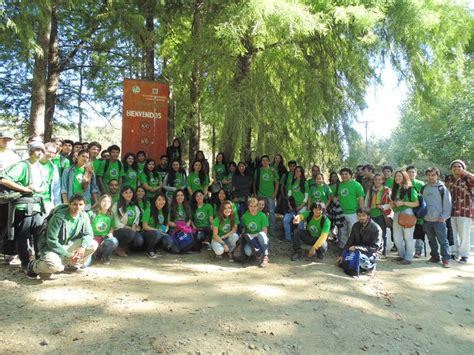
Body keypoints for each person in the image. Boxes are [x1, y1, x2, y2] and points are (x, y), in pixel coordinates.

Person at [0, 142, 48, 271]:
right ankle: (25, 263)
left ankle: (39, 262)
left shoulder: (41, 168)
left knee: (39, 234)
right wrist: (24, 189)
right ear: (30, 151)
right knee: (23, 235)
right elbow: (3, 179)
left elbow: (44, 186)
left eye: (41, 151)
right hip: (23, 206)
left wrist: (38, 189)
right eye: (36, 150)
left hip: (37, 206)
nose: (39, 153)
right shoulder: (22, 166)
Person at [27, 194, 98, 279]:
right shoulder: (59, 217)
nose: (77, 207)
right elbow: (51, 241)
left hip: (66, 244)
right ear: (69, 204)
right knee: (56, 267)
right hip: (50, 248)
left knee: (92, 244)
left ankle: (71, 264)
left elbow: (89, 234)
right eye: (75, 204)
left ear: (84, 205)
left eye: (80, 204)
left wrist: (82, 247)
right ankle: (33, 266)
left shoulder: (84, 215)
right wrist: (68, 255)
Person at [422, 167, 452, 268]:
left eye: (433, 175)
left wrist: (444, 216)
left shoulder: (442, 188)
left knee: (443, 240)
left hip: (439, 220)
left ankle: (446, 259)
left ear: (437, 175)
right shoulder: (424, 188)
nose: (431, 177)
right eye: (429, 175)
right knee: (431, 240)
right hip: (427, 219)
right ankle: (434, 256)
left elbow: (447, 204)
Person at [444, 160, 473, 263]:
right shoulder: (448, 178)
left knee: (464, 234)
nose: (456, 168)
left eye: (459, 166)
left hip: (464, 211)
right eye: (454, 166)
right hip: (450, 211)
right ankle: (453, 253)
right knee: (452, 233)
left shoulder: (467, 178)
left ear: (463, 168)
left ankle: (464, 255)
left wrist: (466, 173)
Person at [338, 207, 383, 274]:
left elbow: (374, 248)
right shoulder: (356, 225)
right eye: (359, 215)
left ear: (368, 216)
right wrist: (342, 255)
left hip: (372, 252)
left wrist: (356, 248)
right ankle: (360, 266)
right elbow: (350, 241)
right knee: (342, 262)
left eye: (363, 216)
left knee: (360, 260)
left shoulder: (376, 228)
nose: (361, 217)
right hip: (358, 250)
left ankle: (371, 266)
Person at [390, 170, 419, 265]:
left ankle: (408, 257)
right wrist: (393, 204)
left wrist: (403, 203)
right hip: (397, 213)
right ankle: (402, 255)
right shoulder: (395, 189)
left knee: (408, 237)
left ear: (405, 177)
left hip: (408, 213)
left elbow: (416, 203)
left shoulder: (410, 189)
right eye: (396, 176)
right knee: (397, 237)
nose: (397, 178)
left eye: (400, 176)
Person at [333, 168, 365, 249]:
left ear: (351, 175)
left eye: (346, 174)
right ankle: (343, 248)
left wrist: (361, 212)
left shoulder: (356, 184)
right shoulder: (338, 185)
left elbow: (361, 198)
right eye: (342, 174)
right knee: (342, 231)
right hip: (341, 213)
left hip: (353, 213)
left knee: (353, 231)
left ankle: (353, 248)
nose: (344, 176)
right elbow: (333, 195)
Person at [112, 186, 143, 257]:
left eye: (130, 192)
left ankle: (126, 246)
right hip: (118, 230)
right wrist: (128, 227)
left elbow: (137, 219)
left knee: (139, 241)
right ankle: (118, 247)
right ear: (122, 194)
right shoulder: (116, 205)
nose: (128, 194)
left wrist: (135, 225)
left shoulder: (135, 206)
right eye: (126, 192)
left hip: (131, 230)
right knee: (130, 234)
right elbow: (115, 222)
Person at [365, 173, 391, 256]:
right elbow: (366, 201)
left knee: (382, 233)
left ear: (383, 180)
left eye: (379, 180)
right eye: (376, 180)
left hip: (382, 214)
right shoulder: (370, 190)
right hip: (372, 214)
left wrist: (383, 206)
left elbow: (391, 202)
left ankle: (382, 251)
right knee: (371, 232)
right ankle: (373, 250)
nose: (377, 181)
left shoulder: (387, 190)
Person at [253, 155, 279, 236]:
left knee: (271, 213)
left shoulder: (273, 170)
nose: (264, 162)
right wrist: (254, 193)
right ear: (261, 162)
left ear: (269, 161)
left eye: (266, 160)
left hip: (270, 195)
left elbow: (277, 182)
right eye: (263, 160)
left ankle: (272, 230)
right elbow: (254, 182)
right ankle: (260, 229)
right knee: (260, 212)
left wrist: (275, 193)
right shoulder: (258, 171)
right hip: (260, 194)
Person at [241, 197, 270, 267]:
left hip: (260, 238)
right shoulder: (245, 216)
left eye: (255, 206)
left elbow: (264, 232)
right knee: (248, 252)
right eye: (251, 206)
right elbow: (244, 229)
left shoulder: (262, 216)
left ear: (257, 207)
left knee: (262, 234)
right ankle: (256, 254)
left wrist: (253, 235)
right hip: (251, 240)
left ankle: (265, 256)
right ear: (248, 206)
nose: (253, 208)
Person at [89, 194, 118, 264]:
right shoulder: (91, 213)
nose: (106, 203)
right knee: (86, 263)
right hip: (92, 239)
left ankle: (104, 256)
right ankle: (93, 254)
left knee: (114, 241)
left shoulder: (111, 214)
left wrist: (110, 233)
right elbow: (86, 227)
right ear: (99, 202)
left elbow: (112, 227)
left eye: (108, 201)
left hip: (104, 239)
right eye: (104, 201)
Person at [283, 166, 308, 242]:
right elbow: (289, 195)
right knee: (285, 220)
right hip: (293, 206)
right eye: (296, 171)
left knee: (300, 223)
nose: (297, 172)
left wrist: (300, 207)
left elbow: (306, 197)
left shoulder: (305, 183)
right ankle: (288, 238)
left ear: (302, 173)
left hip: (302, 206)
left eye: (299, 171)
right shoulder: (292, 182)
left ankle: (300, 240)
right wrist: (290, 205)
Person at [141, 192, 169, 258]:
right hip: (148, 233)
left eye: (163, 200)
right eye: (159, 200)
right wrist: (157, 230)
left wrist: (164, 230)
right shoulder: (149, 210)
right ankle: (149, 250)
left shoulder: (165, 211)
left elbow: (166, 224)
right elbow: (144, 226)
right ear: (155, 202)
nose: (162, 202)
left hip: (159, 232)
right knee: (156, 233)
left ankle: (156, 248)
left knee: (168, 241)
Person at [406, 166, 426, 258]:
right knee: (406, 231)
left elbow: (425, 199)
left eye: (413, 172)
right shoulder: (403, 184)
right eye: (409, 172)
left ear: (416, 173)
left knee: (419, 230)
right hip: (407, 211)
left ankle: (418, 250)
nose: (411, 174)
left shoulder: (421, 184)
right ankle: (407, 250)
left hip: (419, 210)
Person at [39, 142, 61, 213]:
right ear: (43, 151)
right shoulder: (34, 164)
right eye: (49, 152)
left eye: (53, 153)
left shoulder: (53, 167)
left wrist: (57, 205)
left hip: (48, 201)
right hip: (35, 201)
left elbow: (56, 186)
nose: (51, 154)